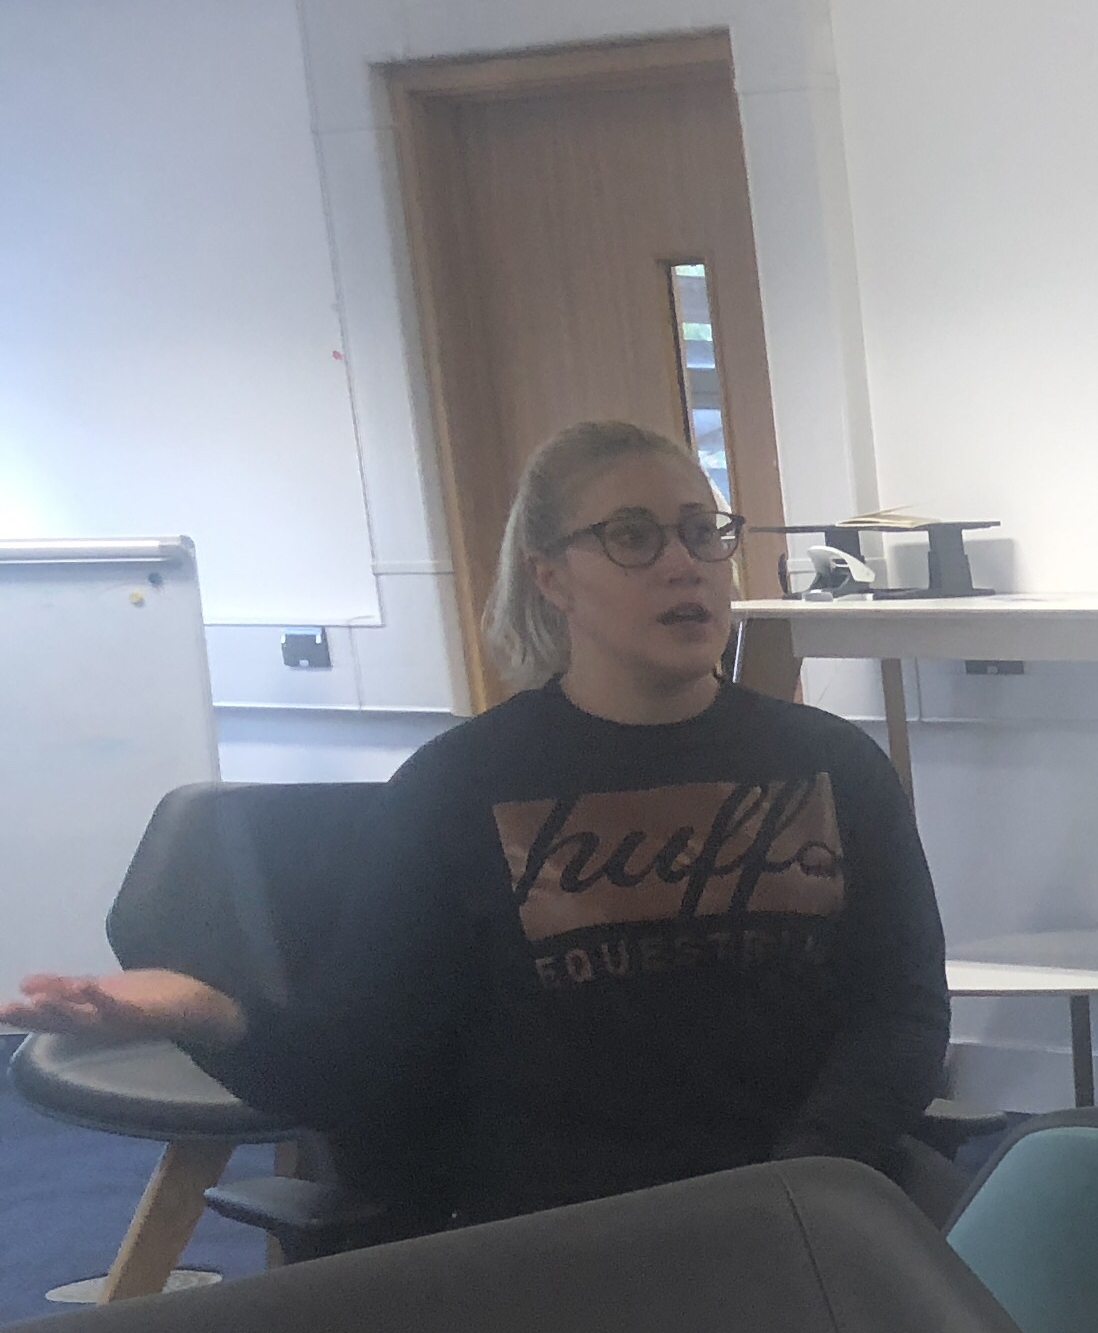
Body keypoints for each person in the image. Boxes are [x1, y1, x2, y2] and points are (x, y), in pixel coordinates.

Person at [5, 420, 950, 1227]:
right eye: (632, 536)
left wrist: (804, 1180)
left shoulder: (836, 767)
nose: (683, 563)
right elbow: (353, 1069)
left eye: (703, 532)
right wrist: (205, 1010)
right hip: (564, 1242)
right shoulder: (458, 791)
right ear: (551, 576)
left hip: (805, 1210)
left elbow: (900, 1012)